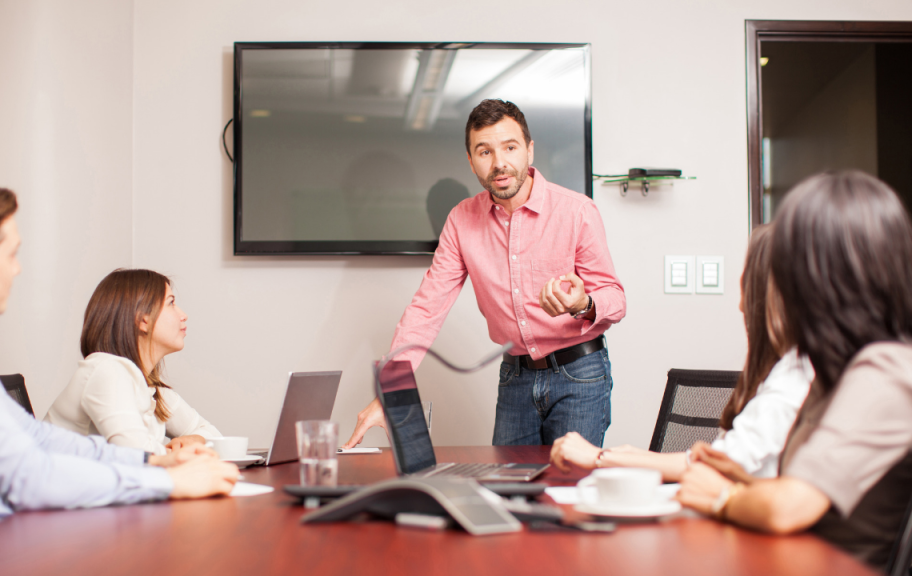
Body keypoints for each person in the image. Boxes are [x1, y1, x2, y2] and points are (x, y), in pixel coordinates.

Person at [0, 179, 239, 562]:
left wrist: (150, 462)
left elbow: (36, 437)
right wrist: (165, 481)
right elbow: (28, 477)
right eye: (11, 255)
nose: (18, 269)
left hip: (22, 544)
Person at [345, 99, 626, 449]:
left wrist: (583, 302)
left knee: (569, 491)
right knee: (505, 488)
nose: (500, 163)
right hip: (516, 377)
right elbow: (426, 309)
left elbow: (615, 299)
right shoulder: (461, 220)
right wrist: (391, 389)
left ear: (529, 151)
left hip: (579, 372)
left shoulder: (577, 211)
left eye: (510, 147)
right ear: (471, 161)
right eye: (485, 152)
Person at [676, 171, 912, 571]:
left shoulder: (885, 369)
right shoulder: (841, 367)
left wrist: (723, 498)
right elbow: (814, 498)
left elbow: (789, 509)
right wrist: (741, 479)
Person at [549, 225, 814, 480]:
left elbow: (720, 464)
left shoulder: (793, 380)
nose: (740, 305)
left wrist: (599, 456)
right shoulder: (785, 369)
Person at [45, 269, 221, 454]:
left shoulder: (153, 391)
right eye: (171, 303)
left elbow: (215, 435)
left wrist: (194, 439)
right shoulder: (107, 371)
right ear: (142, 320)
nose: (183, 314)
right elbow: (138, 456)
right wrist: (178, 454)